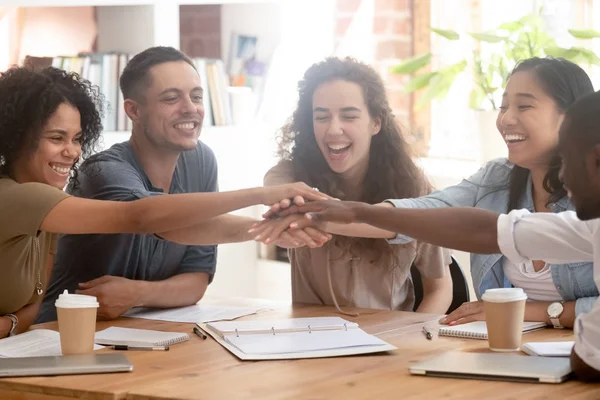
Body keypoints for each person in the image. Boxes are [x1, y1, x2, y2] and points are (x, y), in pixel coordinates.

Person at [279, 89, 600, 381]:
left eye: (568, 160)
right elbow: (488, 230)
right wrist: (360, 212)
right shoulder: (584, 224)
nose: (562, 174)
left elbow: (587, 360)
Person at [258, 57, 597, 327]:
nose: (505, 119)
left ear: (571, 117)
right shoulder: (496, 179)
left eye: (523, 107)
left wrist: (542, 311)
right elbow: (426, 212)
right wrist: (345, 213)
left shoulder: (591, 197)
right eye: (503, 106)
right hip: (506, 349)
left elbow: (475, 240)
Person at [0, 65, 326, 337]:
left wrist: (264, 228)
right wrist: (260, 195)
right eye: (56, 138)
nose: (71, 152)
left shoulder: (48, 206)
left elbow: (171, 231)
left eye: (77, 139)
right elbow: (141, 217)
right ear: (16, 136)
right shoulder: (22, 195)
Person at [262, 57, 452, 314]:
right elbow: (286, 210)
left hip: (390, 342)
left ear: (376, 123)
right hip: (312, 340)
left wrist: (413, 338)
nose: (333, 129)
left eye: (349, 116)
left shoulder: (415, 187)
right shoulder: (287, 177)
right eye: (321, 117)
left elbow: (440, 289)